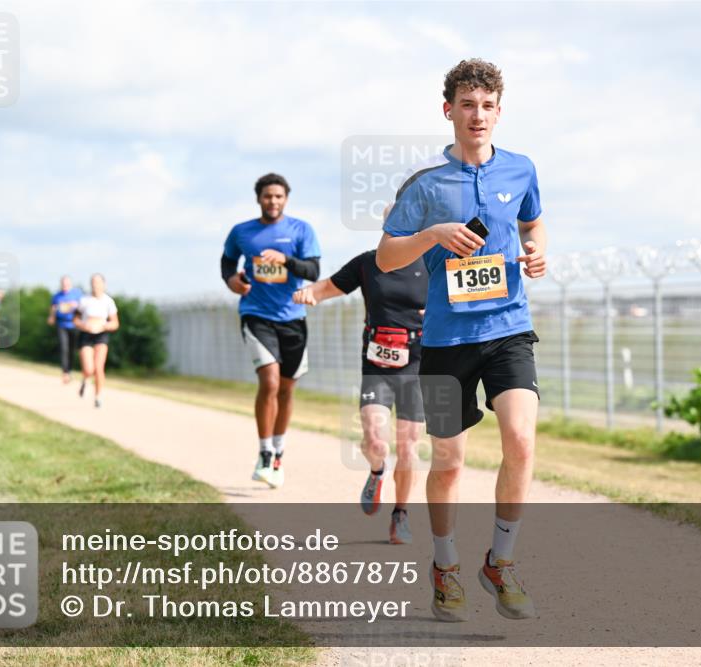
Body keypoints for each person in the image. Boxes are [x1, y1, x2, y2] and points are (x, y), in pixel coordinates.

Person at [376, 59, 547, 622]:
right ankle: (445, 566)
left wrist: (538, 251)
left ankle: (501, 560)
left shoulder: (521, 170)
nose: (478, 115)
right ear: (448, 109)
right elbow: (385, 256)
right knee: (449, 460)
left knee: (521, 440)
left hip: (509, 329)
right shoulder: (425, 185)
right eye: (467, 105)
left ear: (500, 111)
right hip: (448, 342)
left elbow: (532, 222)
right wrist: (431, 234)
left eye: (488, 106)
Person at [293, 249, 427, 544]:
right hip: (377, 362)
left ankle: (400, 515)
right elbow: (328, 286)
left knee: (408, 446)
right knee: (376, 440)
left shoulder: (433, 261)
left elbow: (461, 298)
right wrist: (307, 293)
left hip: (419, 361)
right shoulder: (369, 263)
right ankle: (377, 471)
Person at [222, 173, 321, 489]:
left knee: (287, 387)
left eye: (278, 196)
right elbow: (227, 263)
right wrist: (232, 281)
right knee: (270, 379)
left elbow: (313, 270)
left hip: (293, 317)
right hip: (256, 314)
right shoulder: (242, 232)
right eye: (268, 196)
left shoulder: (301, 230)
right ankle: (264, 452)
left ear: (286, 199)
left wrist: (286, 260)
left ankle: (278, 450)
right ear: (258, 198)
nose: (273, 201)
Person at [73, 273, 119, 408]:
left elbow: (115, 323)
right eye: (93, 282)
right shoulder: (84, 300)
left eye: (98, 282)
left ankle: (98, 396)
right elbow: (75, 319)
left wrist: (104, 326)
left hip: (101, 335)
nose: (95, 285)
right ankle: (85, 379)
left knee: (99, 368)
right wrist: (84, 325)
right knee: (89, 369)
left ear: (103, 284)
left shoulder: (108, 301)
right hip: (86, 335)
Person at [48, 276, 83, 383]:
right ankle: (65, 372)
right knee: (64, 348)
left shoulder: (77, 294)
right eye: (63, 284)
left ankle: (70, 370)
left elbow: (83, 307)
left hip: (74, 325)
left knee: (72, 350)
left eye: (67, 284)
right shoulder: (57, 296)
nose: (65, 286)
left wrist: (75, 305)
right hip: (61, 325)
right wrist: (51, 317)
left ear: (70, 284)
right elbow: (53, 307)